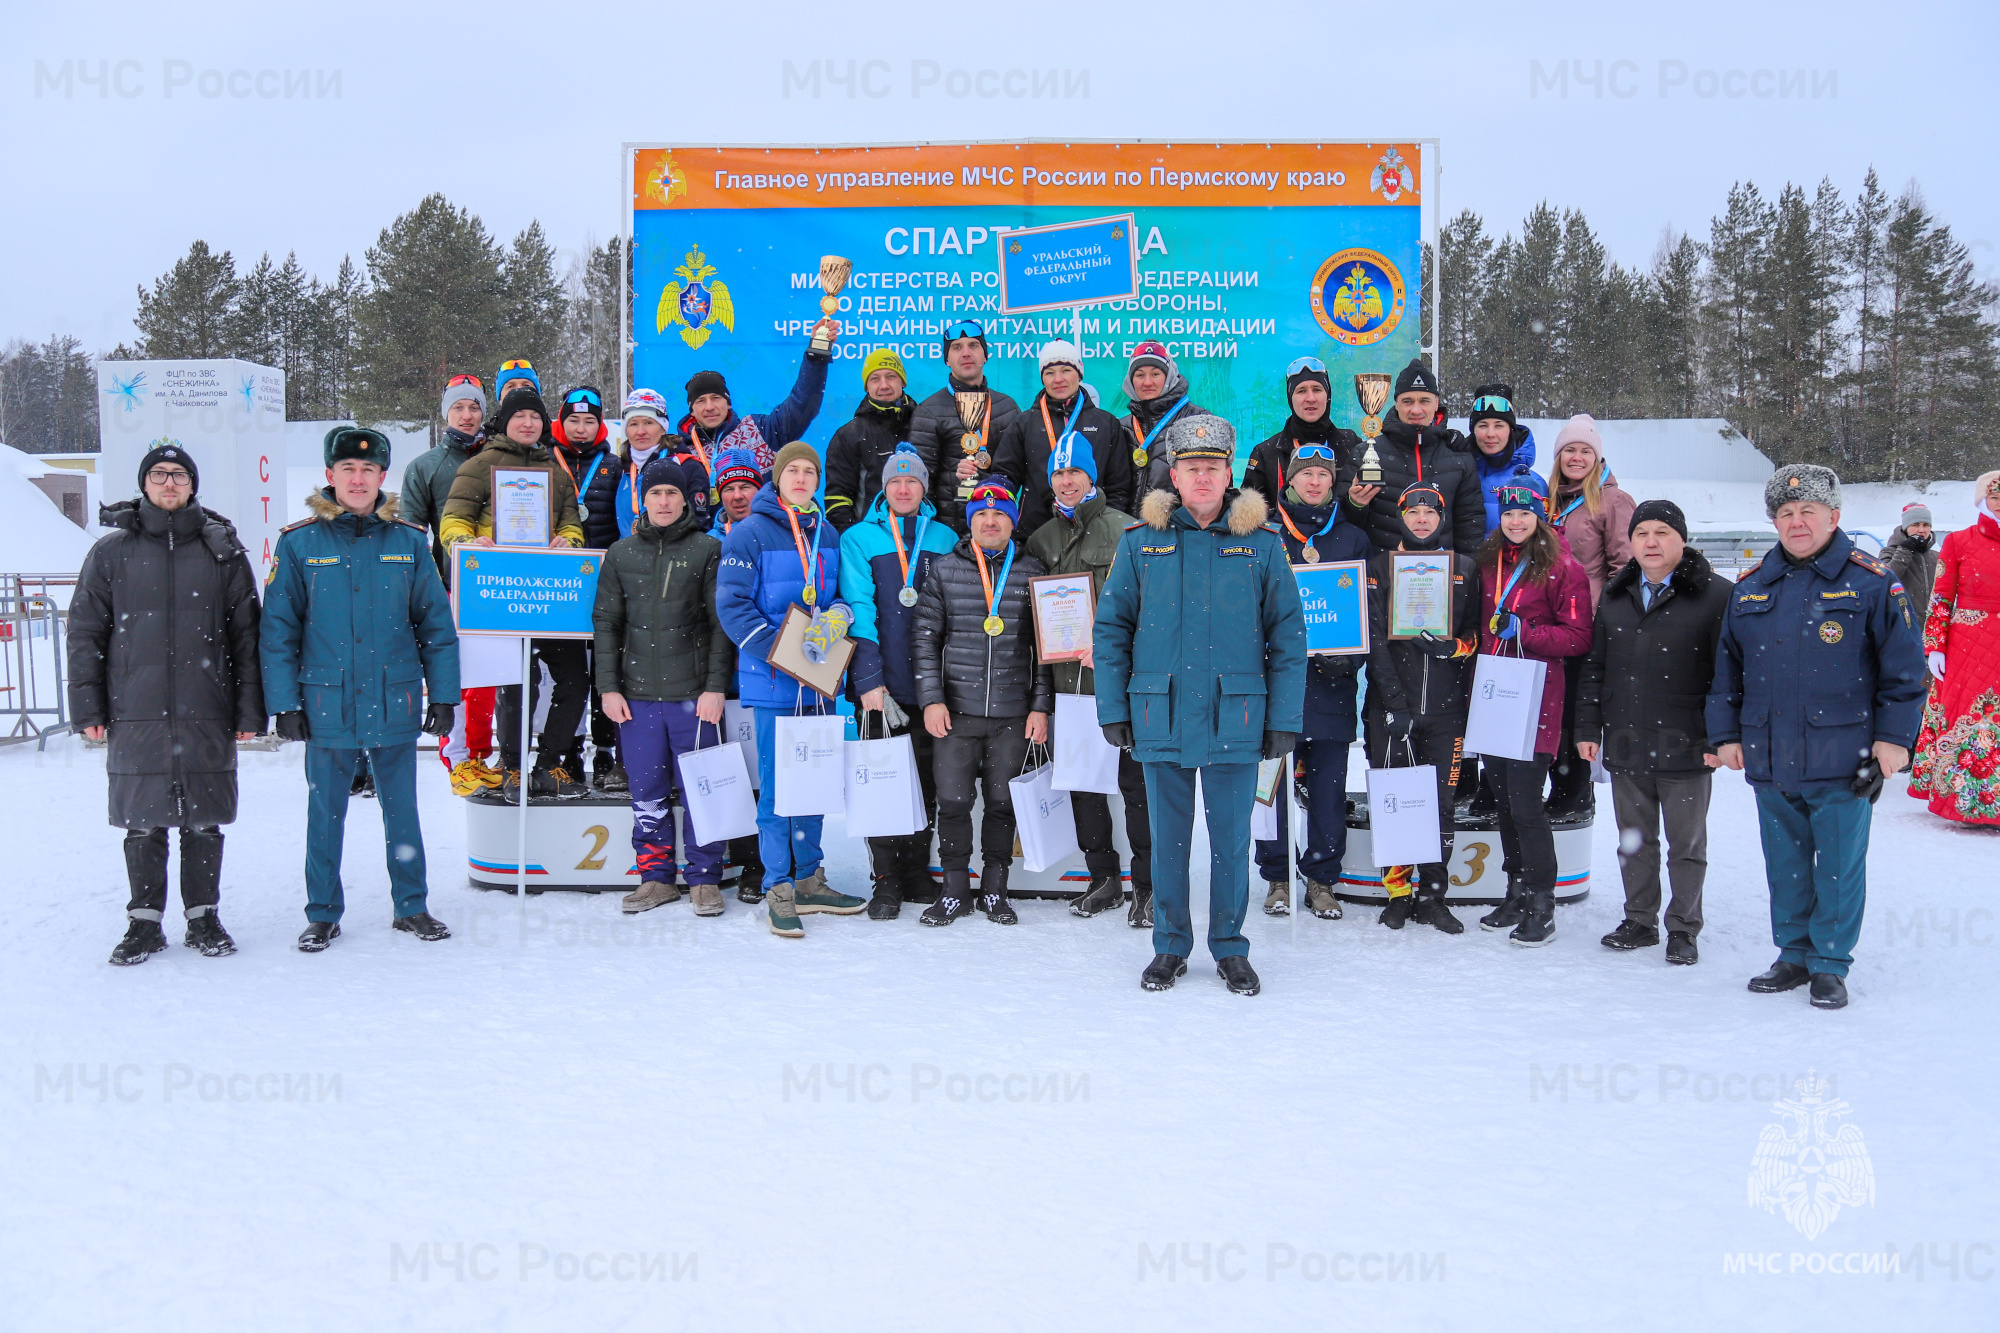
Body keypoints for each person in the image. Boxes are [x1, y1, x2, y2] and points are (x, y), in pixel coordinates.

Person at [1094, 418, 1306, 996]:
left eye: (1213, 467)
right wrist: (1113, 708)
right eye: (1192, 468)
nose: (1203, 477)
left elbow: (1288, 637)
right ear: (1175, 476)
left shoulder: (1261, 546)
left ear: (1229, 473)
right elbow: (1112, 628)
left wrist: (1284, 718)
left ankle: (1231, 947)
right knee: (1168, 841)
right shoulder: (1141, 543)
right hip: (1158, 714)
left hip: (1235, 715)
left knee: (1232, 841)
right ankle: (1169, 947)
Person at [1708, 464, 1925, 1008]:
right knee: (1784, 863)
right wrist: (1725, 735)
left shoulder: (1873, 582)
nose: (1796, 521)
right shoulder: (1753, 587)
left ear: (1834, 516)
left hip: (1843, 756)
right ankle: (1794, 955)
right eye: (1785, 513)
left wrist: (1894, 741)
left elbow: (1905, 672)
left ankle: (1829, 961)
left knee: (1836, 866)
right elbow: (1726, 672)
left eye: (1808, 511)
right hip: (1770, 753)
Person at [261, 428, 460, 952]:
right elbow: (278, 630)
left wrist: (443, 695)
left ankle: (411, 906)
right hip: (326, 698)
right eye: (347, 469)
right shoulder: (299, 542)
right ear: (330, 476)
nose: (357, 478)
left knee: (402, 810)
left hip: (394, 695)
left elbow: (435, 626)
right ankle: (323, 912)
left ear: (381, 478)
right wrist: (284, 703)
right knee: (325, 811)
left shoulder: (409, 541)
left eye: (368, 471)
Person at [70, 443, 265, 964]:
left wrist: (249, 710)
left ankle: (203, 917)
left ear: (193, 484)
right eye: (158, 474)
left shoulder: (222, 549)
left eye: (179, 474)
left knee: (203, 817)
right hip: (135, 705)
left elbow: (246, 636)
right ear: (144, 484)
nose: (169, 482)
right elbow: (86, 633)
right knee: (143, 817)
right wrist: (87, 708)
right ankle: (144, 923)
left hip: (208, 705)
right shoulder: (111, 553)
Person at [714, 440, 869, 936]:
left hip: (818, 684)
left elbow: (842, 594)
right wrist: (782, 652)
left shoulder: (827, 532)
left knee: (816, 783)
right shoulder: (749, 533)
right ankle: (778, 884)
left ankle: (809, 877)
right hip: (774, 681)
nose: (801, 479)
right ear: (776, 478)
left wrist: (840, 617)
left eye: (809, 472)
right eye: (792, 471)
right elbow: (733, 607)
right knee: (779, 789)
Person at [1574, 500, 1730, 965]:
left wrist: (1719, 738)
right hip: (1626, 736)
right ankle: (1639, 919)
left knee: (1686, 844)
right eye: (1642, 533)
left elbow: (1728, 675)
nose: (1652, 542)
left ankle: (1683, 928)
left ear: (1682, 540)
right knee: (1634, 839)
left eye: (1663, 532)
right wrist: (1588, 726)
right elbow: (1595, 666)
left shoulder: (1716, 595)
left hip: (1688, 742)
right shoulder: (1618, 594)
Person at [593, 455, 736, 916]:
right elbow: (607, 624)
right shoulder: (621, 552)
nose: (663, 500)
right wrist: (608, 688)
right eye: (655, 492)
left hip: (694, 698)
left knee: (702, 788)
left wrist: (715, 687)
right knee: (647, 793)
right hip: (636, 697)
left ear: (686, 499)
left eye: (671, 492)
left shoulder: (706, 550)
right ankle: (655, 878)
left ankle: (703, 879)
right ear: (642, 499)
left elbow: (719, 626)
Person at [1023, 432, 1153, 925]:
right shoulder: (1042, 539)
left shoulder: (1127, 532)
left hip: (1118, 685)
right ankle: (1103, 878)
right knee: (1082, 785)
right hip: (1067, 687)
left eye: (1074, 472)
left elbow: (1149, 609)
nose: (1066, 481)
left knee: (1135, 788)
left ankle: (1146, 885)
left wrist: (1117, 651)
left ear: (1091, 476)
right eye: (1058, 474)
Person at [912, 481, 1054, 925]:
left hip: (1013, 713)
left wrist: (1040, 706)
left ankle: (995, 888)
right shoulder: (943, 569)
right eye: (980, 516)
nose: (989, 522)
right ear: (969, 522)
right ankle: (955, 889)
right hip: (955, 712)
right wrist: (931, 700)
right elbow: (925, 640)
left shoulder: (1033, 569)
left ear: (1012, 522)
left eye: (999, 516)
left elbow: (1046, 648)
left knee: (1001, 803)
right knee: (952, 802)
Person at [439, 386, 591, 799]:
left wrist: (569, 542)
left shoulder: (556, 471)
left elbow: (571, 523)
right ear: (505, 422)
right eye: (520, 417)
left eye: (536, 417)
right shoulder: (480, 465)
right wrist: (466, 544)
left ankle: (549, 764)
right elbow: (453, 521)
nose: (528, 423)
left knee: (575, 679)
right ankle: (512, 767)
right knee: (517, 681)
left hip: (549, 594)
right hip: (501, 593)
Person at [1472, 473, 1594, 947]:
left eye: (1525, 513)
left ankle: (1543, 901)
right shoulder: (1488, 563)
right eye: (1508, 513)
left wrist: (1527, 633)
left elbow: (1579, 637)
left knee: (1526, 804)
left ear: (1539, 516)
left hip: (1535, 698)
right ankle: (1515, 888)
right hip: (1492, 693)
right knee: (1503, 801)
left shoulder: (1564, 568)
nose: (1516, 521)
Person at [837, 445, 958, 918]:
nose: (903, 489)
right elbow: (859, 611)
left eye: (912, 481)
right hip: (881, 685)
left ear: (924, 487)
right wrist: (868, 677)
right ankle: (885, 875)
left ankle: (914, 869)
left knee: (926, 782)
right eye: (895, 481)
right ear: (883, 489)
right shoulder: (860, 539)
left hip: (929, 685)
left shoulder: (946, 537)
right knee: (884, 782)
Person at [1257, 441, 1372, 920]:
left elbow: (1368, 613)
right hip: (1277, 689)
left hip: (1331, 688)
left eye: (1323, 474)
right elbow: (1248, 609)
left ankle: (1322, 878)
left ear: (1332, 482)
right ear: (1290, 481)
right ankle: (1277, 877)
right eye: (1306, 473)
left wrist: (1351, 659)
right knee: (1271, 790)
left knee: (1328, 790)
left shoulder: (1352, 538)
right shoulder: (1265, 535)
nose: (1314, 481)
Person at [1361, 481, 1480, 932]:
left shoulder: (1464, 568)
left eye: (1431, 512)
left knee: (1440, 805)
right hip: (1392, 708)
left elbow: (1476, 635)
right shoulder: (1380, 567)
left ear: (1442, 518)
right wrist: (1393, 703)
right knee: (1393, 803)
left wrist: (1455, 648)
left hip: (1446, 711)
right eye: (1415, 512)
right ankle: (1397, 893)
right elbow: (1374, 642)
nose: (1423, 519)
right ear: (1402, 517)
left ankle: (1432, 895)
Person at [401, 375, 502, 797]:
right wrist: (426, 585)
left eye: (474, 407)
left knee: (488, 682)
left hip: (498, 586)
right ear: (447, 413)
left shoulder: (501, 458)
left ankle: (479, 753)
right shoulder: (426, 466)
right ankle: (458, 758)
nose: (467, 414)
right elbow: (411, 533)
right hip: (450, 588)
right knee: (458, 679)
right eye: (459, 407)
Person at [1543, 413, 1633, 822]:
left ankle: (1574, 793)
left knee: (1578, 714)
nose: (1576, 458)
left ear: (1598, 458)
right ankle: (1556, 789)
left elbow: (1624, 566)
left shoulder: (1612, 501)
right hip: (1548, 627)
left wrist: (1607, 620)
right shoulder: (1548, 498)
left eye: (1585, 451)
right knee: (1550, 712)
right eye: (1569, 450)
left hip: (1587, 625)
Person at [1908, 471, 2000, 826]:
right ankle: (1964, 802)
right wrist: (1935, 646)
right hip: (1969, 645)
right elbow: (1942, 597)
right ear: (1982, 501)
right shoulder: (1959, 542)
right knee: (1967, 716)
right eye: (1995, 497)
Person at [552, 385, 628, 791]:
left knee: (603, 669)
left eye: (589, 421)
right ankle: (568, 748)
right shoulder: (547, 459)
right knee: (568, 674)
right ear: (560, 422)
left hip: (603, 582)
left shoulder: (613, 465)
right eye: (573, 420)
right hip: (559, 585)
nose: (581, 429)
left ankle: (604, 750)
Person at [707, 445, 770, 900]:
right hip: (719, 678)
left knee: (760, 775)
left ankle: (758, 866)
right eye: (730, 488)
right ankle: (736, 856)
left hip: (762, 672)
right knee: (731, 774)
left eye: (747, 485)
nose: (738, 495)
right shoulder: (707, 543)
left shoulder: (771, 535)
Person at [992, 339, 1134, 538]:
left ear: (1079, 373)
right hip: (1036, 534)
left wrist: (1104, 527)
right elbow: (1005, 476)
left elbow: (1118, 486)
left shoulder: (1106, 424)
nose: (1058, 379)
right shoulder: (1024, 423)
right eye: (1050, 373)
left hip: (1094, 535)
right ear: (1043, 379)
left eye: (1066, 370)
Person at [1354, 360, 1483, 555]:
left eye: (1424, 401)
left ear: (1436, 404)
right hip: (1384, 576)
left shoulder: (1458, 456)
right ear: (1396, 404)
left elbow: (1470, 525)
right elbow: (1348, 524)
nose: (1416, 410)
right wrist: (1355, 504)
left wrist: (1465, 574)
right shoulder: (1365, 454)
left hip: (1440, 575)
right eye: (1408, 401)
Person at [907, 319, 1021, 531]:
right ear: (947, 359)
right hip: (948, 531)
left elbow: (1018, 471)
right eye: (957, 347)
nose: (966, 353)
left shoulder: (1007, 407)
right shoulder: (928, 412)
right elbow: (922, 481)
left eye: (974, 346)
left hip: (998, 528)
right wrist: (935, 532)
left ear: (985, 355)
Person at [678, 333, 831, 476]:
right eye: (701, 401)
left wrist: (816, 356)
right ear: (692, 410)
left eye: (716, 398)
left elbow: (802, 406)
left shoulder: (758, 430)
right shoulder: (681, 451)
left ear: (728, 404)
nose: (710, 406)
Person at [1240, 356, 1360, 509]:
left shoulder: (1350, 443)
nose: (1310, 398)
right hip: (1285, 533)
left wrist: (1356, 505)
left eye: (1317, 389)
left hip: (1342, 532)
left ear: (1327, 396)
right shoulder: (1266, 453)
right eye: (1301, 391)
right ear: (1291, 398)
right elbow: (1249, 517)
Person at [824, 349, 920, 532]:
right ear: (867, 386)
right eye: (875, 378)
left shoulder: (926, 424)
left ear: (903, 381)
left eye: (891, 376)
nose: (883, 385)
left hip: (922, 538)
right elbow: (837, 501)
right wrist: (856, 542)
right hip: (872, 544)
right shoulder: (848, 435)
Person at [1120, 341, 1216, 514]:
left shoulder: (1198, 421)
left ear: (1169, 376)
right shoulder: (1122, 426)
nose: (1147, 382)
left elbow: (1213, 483)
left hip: (1180, 530)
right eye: (1140, 375)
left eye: (1155, 374)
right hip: (1130, 531)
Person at [614, 388, 714, 538]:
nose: (640, 431)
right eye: (633, 424)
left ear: (663, 428)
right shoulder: (620, 468)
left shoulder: (687, 466)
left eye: (648, 423)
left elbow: (699, 526)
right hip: (627, 557)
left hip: (671, 557)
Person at [1457, 383, 1536, 537]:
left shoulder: (1532, 482)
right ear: (1473, 430)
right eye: (1483, 425)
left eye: (1499, 426)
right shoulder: (1457, 473)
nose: (1490, 434)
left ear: (1510, 430)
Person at [1882, 501, 1940, 614]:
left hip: (1931, 626)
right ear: (1905, 528)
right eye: (1915, 525)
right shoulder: (1889, 552)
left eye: (1926, 525)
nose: (1921, 530)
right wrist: (1905, 550)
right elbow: (1885, 580)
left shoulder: (1936, 556)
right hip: (1902, 624)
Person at [709, 448, 763, 539]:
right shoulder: (710, 544)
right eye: (729, 489)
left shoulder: (782, 531)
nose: (737, 496)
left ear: (760, 491)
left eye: (744, 487)